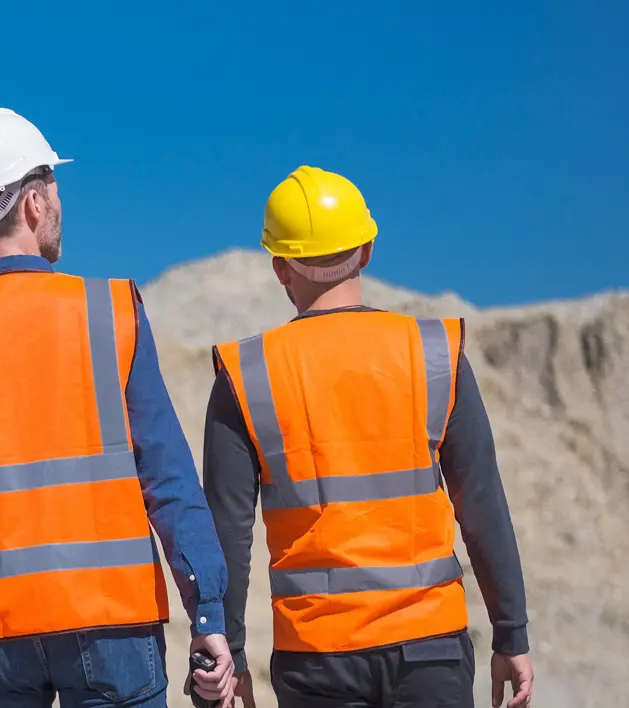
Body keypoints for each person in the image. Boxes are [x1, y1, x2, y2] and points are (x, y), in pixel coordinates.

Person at [0, 107, 235, 708]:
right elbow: (167, 478)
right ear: (34, 204)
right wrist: (208, 612)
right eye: (54, 186)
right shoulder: (106, 312)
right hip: (110, 621)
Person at [201, 165, 535, 708]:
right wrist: (511, 633)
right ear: (370, 249)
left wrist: (231, 656)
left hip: (316, 658)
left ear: (280, 267)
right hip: (431, 648)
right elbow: (481, 503)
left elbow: (227, 534)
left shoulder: (246, 374)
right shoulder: (434, 354)